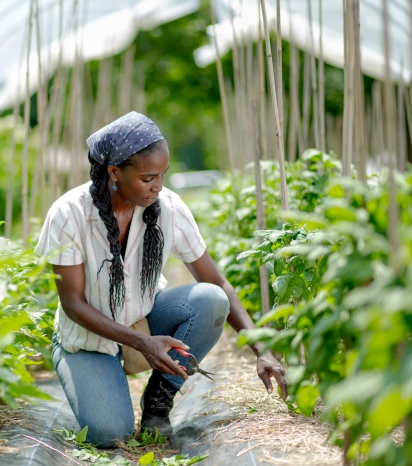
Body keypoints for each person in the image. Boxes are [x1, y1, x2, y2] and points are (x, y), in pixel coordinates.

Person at [34, 112, 287, 448]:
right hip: (87, 338)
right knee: (109, 435)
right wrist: (142, 344)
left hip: (144, 319)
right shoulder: (69, 213)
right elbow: (73, 303)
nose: (158, 186)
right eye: (147, 177)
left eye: (162, 175)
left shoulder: (168, 207)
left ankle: (157, 403)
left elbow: (217, 282)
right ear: (114, 172)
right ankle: (94, 377)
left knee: (211, 299)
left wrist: (262, 348)